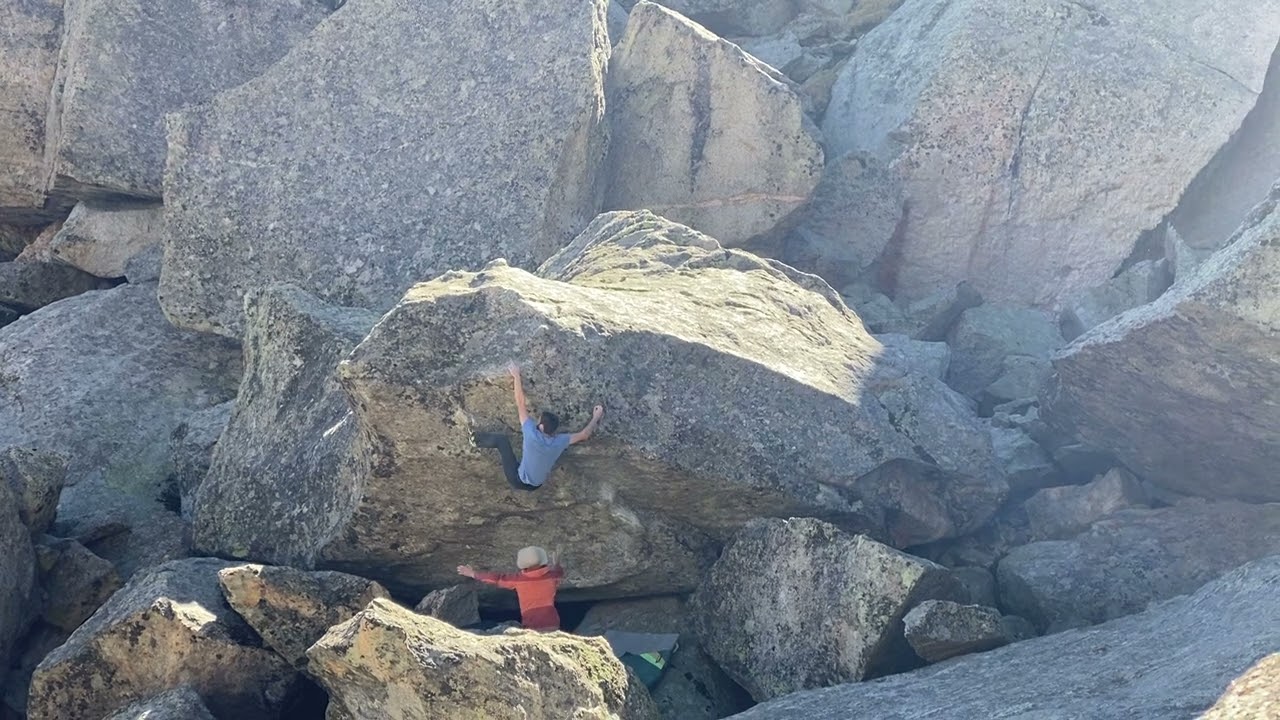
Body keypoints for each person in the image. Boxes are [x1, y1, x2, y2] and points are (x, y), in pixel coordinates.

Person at [473, 362, 604, 491]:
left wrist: (516, 376)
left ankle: (473, 439)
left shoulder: (531, 433)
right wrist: (596, 417)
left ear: (541, 427)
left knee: (501, 441)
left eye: (538, 420)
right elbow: (584, 435)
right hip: (535, 486)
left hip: (516, 479)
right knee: (525, 463)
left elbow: (520, 402)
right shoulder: (559, 441)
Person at [457, 546, 563, 631]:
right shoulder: (553, 576)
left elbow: (496, 578)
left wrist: (473, 574)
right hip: (552, 624)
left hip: (532, 626)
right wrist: (556, 563)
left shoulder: (519, 580)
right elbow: (559, 572)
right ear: (542, 561)